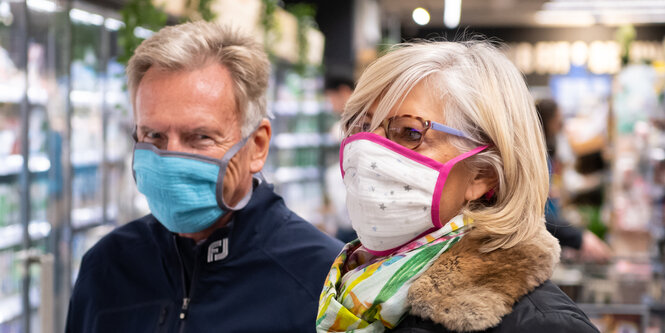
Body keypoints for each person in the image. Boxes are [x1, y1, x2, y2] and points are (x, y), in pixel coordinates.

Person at [65, 21, 343, 333]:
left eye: (200, 137)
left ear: (257, 145)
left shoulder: (323, 282)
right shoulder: (106, 268)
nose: (171, 156)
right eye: (153, 135)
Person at [316, 40, 599, 332]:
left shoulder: (546, 326)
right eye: (361, 127)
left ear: (483, 174)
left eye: (410, 132)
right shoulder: (348, 289)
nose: (367, 151)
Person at [536, 98, 612, 263]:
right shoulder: (537, 151)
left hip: (550, 218)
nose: (560, 122)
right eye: (558, 118)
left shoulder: (550, 146)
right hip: (543, 222)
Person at [324, 75, 357, 242]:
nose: (330, 105)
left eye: (331, 98)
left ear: (343, 92)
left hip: (354, 223)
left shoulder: (347, 127)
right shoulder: (341, 125)